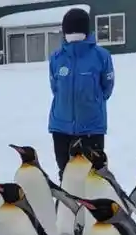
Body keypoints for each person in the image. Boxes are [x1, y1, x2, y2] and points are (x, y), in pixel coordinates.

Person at [48, 7, 115, 181]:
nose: (73, 36)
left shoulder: (101, 56)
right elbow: (55, 87)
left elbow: (107, 88)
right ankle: (68, 208)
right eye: (70, 31)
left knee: (94, 178)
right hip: (61, 128)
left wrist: (92, 102)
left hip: (91, 128)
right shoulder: (56, 58)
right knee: (67, 177)